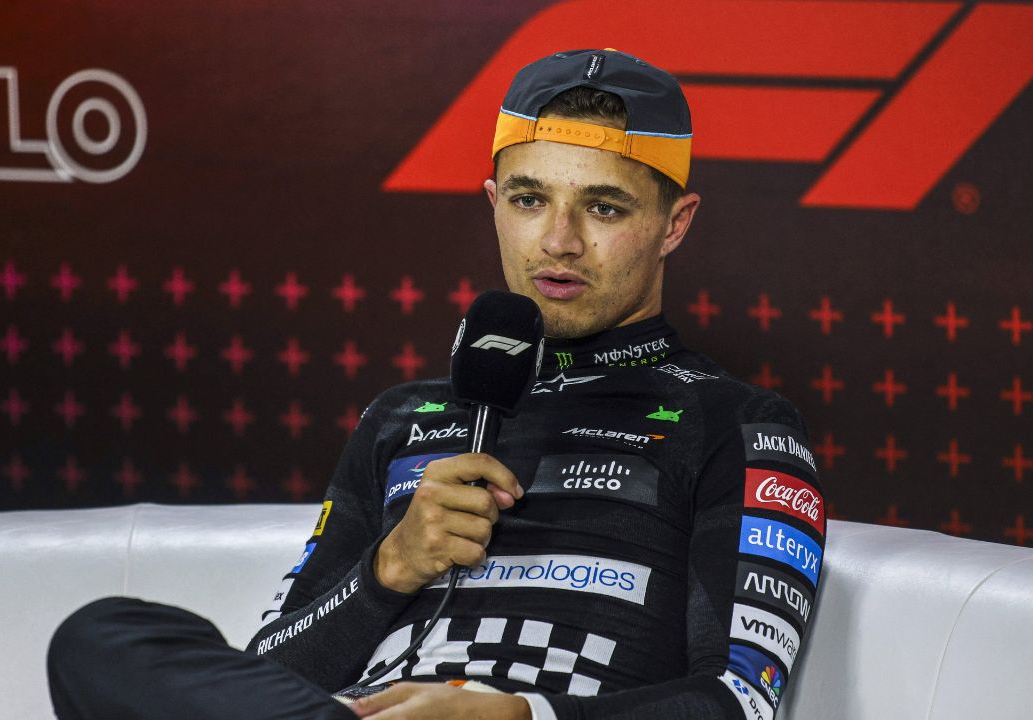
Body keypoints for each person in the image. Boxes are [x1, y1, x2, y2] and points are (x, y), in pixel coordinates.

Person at [48, 48, 825, 720]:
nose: (559, 241)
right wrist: (389, 568)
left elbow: (738, 701)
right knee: (102, 637)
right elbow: (267, 674)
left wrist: (521, 714)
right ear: (495, 206)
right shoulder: (401, 417)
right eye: (529, 199)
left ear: (675, 224)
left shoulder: (740, 423)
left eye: (604, 206)